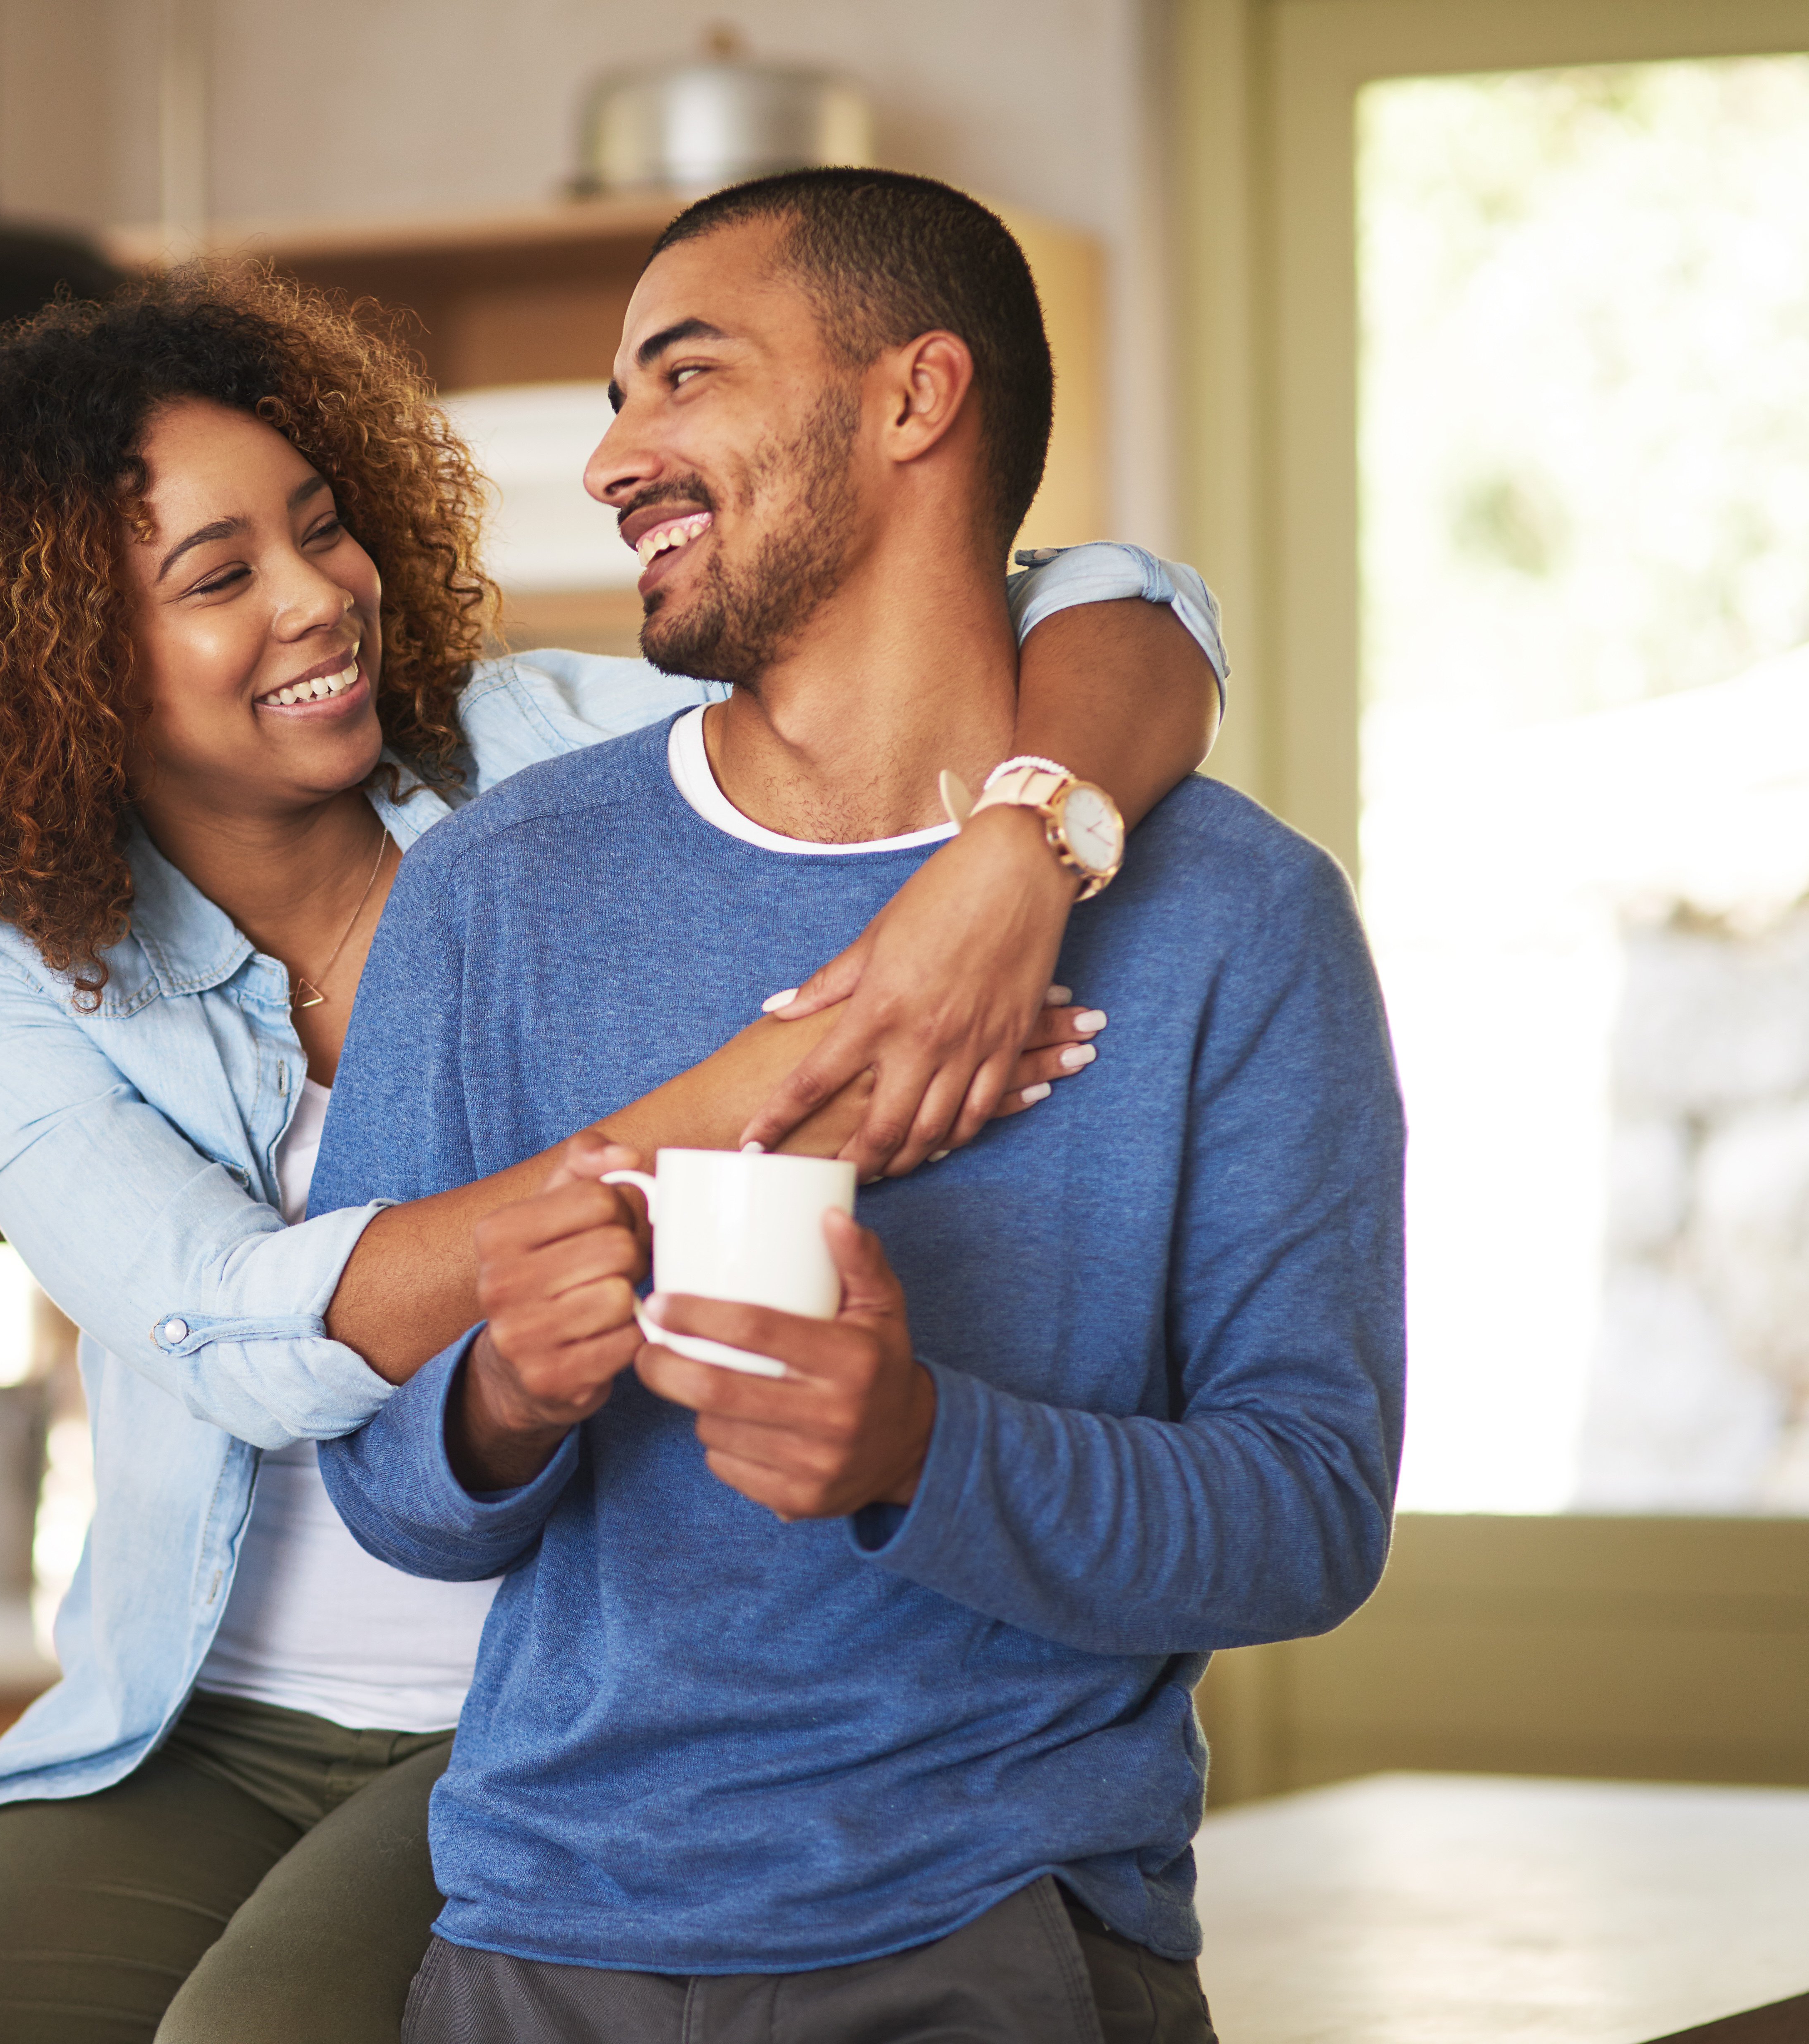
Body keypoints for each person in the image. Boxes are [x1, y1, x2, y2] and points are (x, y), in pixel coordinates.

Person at [0, 265, 1232, 2044]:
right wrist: (777, 1079)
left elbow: (1119, 606)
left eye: (322, 526)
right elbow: (231, 1325)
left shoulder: (551, 749)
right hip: (191, 1721)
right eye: (221, 578)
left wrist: (1017, 851)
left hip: (545, 1709)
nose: (320, 595)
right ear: (56, 664)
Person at [311, 169, 1404, 2044]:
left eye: (684, 376)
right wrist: (503, 1398)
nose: (613, 460)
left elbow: (1308, 1515)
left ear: (915, 397)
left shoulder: (1240, 917)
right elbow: (391, 1495)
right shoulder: (494, 891)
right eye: (614, 402)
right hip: (535, 1944)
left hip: (996, 1937)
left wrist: (918, 1444)